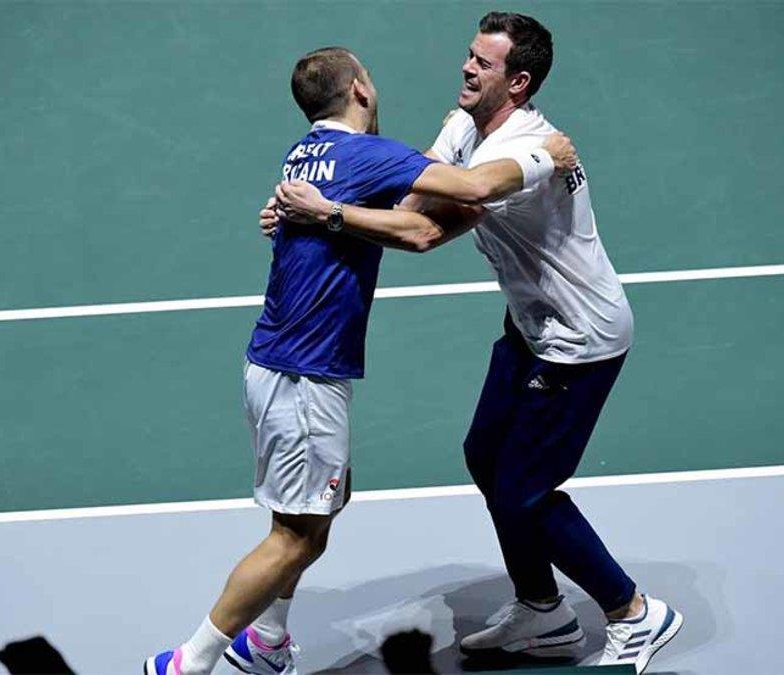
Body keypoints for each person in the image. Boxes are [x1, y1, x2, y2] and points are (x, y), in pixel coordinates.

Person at [268, 12, 683, 673]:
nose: (466, 67)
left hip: (579, 340)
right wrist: (306, 204)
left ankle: (634, 612)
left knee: (524, 488)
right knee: (485, 454)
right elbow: (412, 185)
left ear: (517, 82)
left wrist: (327, 213)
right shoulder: (466, 124)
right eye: (469, 55)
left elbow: (421, 232)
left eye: (482, 64)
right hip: (530, 327)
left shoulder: (520, 155)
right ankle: (541, 610)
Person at [144, 46, 576, 675]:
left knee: (320, 509)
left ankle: (266, 644)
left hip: (283, 363)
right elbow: (469, 190)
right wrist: (547, 156)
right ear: (361, 94)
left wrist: (344, 215)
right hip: (304, 371)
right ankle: (188, 663)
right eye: (370, 80)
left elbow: (409, 222)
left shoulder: (306, 155)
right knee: (295, 536)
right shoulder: (364, 153)